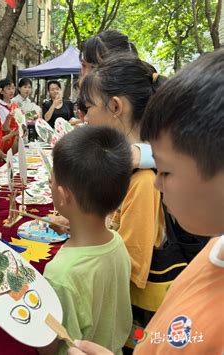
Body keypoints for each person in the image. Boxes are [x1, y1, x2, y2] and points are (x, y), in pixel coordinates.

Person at [68, 48, 224, 355]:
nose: (157, 181)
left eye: (165, 170)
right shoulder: (212, 253)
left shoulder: (141, 182)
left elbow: (133, 264)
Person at [40, 126, 133, 354]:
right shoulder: (117, 242)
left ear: (63, 195)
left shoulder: (60, 275)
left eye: (52, 180)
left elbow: (49, 348)